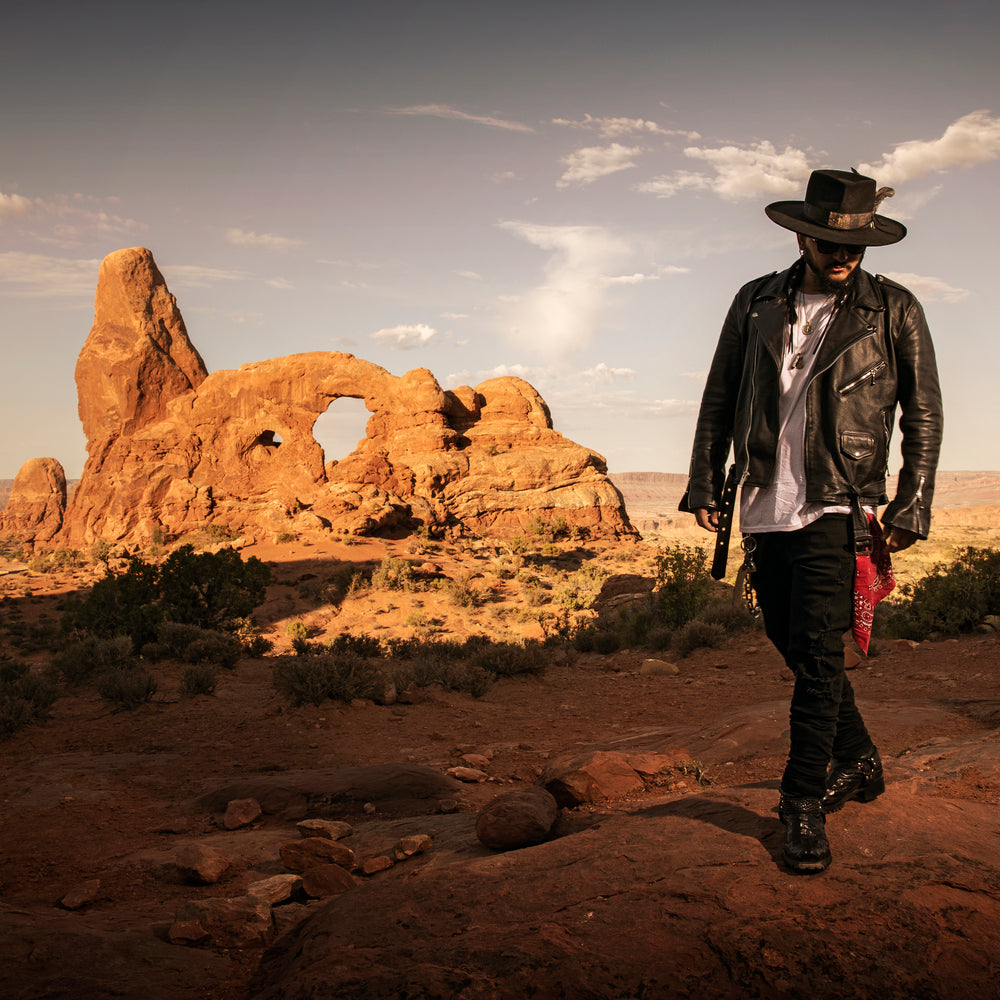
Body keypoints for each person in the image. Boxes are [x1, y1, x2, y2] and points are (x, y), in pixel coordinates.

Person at [680, 168, 943, 874]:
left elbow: (921, 412)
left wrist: (912, 500)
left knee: (821, 655)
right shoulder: (757, 301)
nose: (842, 255)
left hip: (841, 497)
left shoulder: (893, 309)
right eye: (829, 242)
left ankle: (801, 804)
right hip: (766, 497)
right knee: (792, 642)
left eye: (854, 245)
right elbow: (720, 396)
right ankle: (858, 759)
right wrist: (707, 478)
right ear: (803, 235)